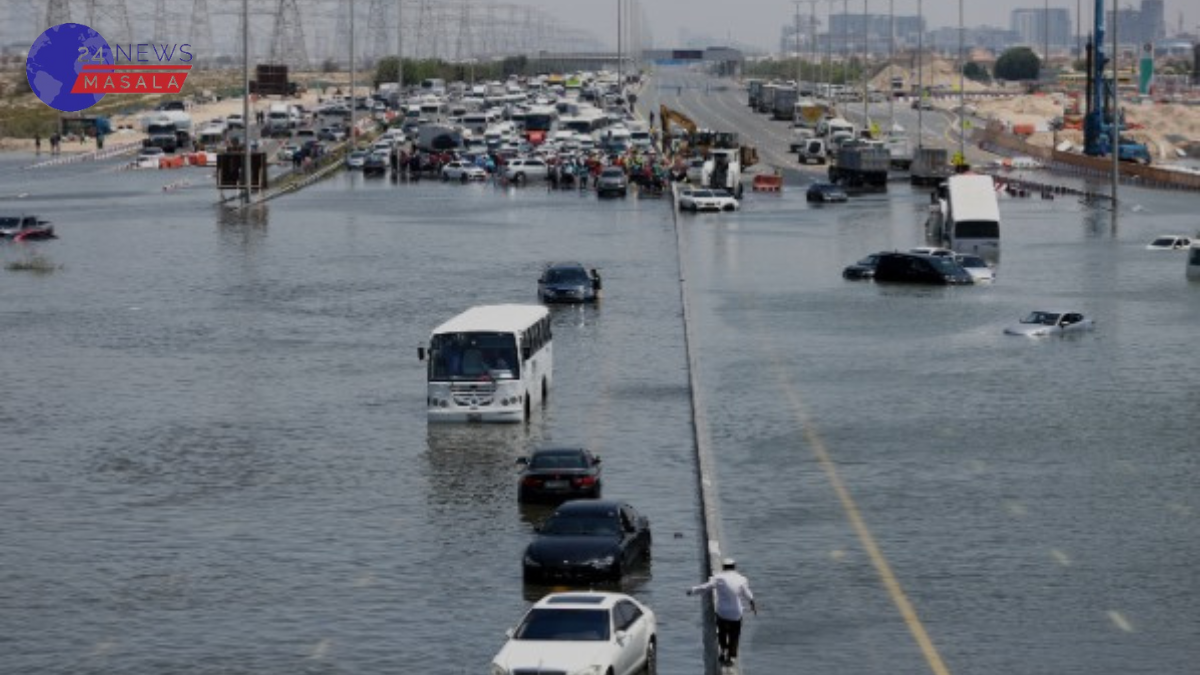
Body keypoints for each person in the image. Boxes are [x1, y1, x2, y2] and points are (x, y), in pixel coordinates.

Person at [687, 558, 756, 666]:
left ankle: (723, 650)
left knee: (722, 633)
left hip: (722, 612)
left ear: (723, 567)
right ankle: (730, 656)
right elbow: (748, 595)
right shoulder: (742, 579)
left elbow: (705, 587)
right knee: (734, 634)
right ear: (734, 566)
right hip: (736, 613)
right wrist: (753, 605)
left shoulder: (718, 578)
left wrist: (692, 590)